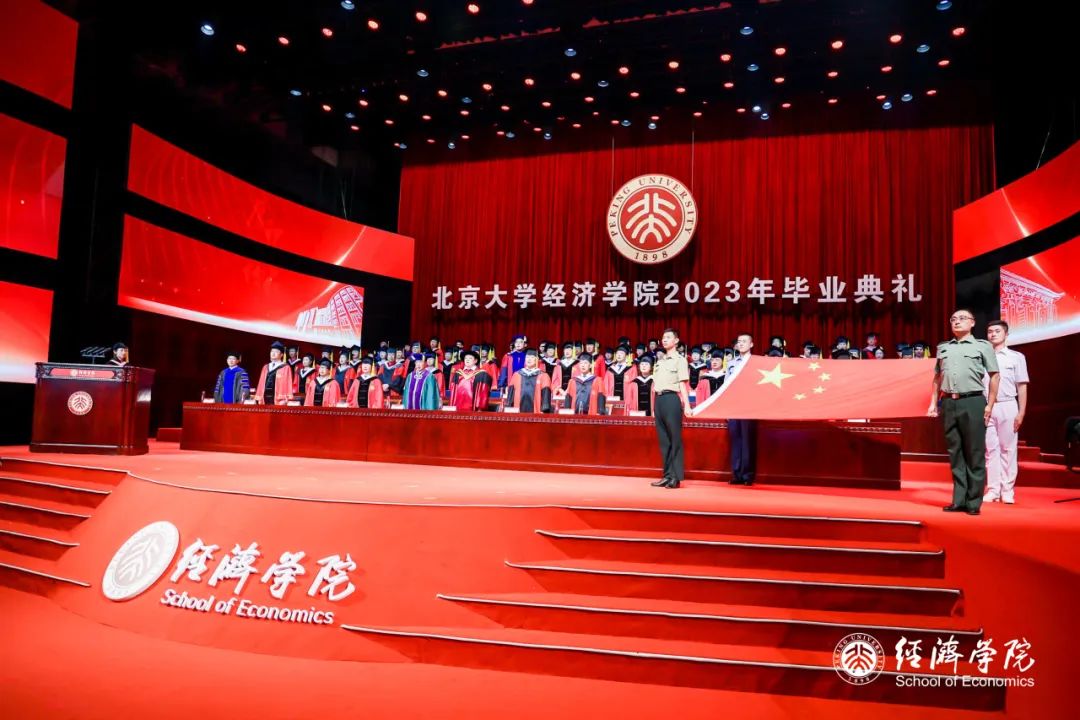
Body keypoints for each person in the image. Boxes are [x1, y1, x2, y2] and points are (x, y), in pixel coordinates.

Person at [927, 309, 1000, 516]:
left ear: (972, 322)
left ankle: (973, 502)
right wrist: (933, 403)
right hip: (949, 402)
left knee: (974, 451)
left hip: (973, 401)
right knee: (955, 451)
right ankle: (958, 500)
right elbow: (937, 378)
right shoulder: (943, 347)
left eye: (962, 318)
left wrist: (989, 405)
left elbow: (995, 376)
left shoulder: (982, 346)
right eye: (953, 319)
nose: (956, 322)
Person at [983, 320, 1029, 504]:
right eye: (990, 331)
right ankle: (993, 490)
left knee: (1008, 449)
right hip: (987, 406)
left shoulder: (1016, 357)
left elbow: (1022, 386)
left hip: (1008, 404)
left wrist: (1021, 412)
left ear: (1006, 334)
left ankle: (1007, 490)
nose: (993, 334)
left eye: (997, 331)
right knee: (990, 449)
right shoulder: (982, 356)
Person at [650, 329, 691, 489]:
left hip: (671, 399)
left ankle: (675, 477)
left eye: (668, 337)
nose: (664, 340)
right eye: (663, 337)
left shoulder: (680, 360)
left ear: (676, 340)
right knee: (664, 441)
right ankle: (667, 475)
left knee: (675, 439)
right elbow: (655, 385)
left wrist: (687, 405)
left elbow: (683, 384)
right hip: (659, 400)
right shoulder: (660, 361)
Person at [726, 333, 757, 486]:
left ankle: (747, 475)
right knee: (736, 440)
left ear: (751, 344)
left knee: (747, 441)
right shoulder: (731, 363)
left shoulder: (756, 362)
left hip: (749, 406)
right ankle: (737, 473)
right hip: (733, 406)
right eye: (739, 341)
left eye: (744, 341)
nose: (741, 344)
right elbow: (726, 386)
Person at [504, 349, 552, 413]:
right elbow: (510, 396)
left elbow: (546, 396)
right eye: (527, 357)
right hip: (518, 412)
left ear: (537, 360)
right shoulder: (517, 375)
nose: (529, 359)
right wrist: (509, 408)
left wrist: (544, 410)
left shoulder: (543, 376)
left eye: (532, 357)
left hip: (536, 412)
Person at [256, 341, 294, 405]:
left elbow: (288, 384)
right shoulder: (266, 367)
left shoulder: (285, 367)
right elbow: (261, 383)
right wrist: (259, 398)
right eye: (272, 351)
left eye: (276, 352)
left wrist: (286, 399)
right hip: (264, 399)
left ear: (281, 355)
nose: (273, 353)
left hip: (279, 400)